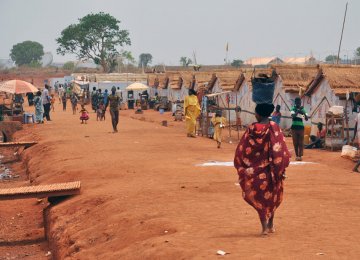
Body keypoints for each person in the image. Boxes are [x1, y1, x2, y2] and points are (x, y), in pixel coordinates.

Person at [234, 103, 290, 235]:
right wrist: (281, 168)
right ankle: (270, 224)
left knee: (260, 198)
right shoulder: (274, 128)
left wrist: (245, 165)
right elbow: (281, 150)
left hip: (256, 171)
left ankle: (265, 227)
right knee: (272, 197)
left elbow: (243, 148)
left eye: (255, 113)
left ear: (258, 114)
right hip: (272, 171)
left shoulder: (252, 128)